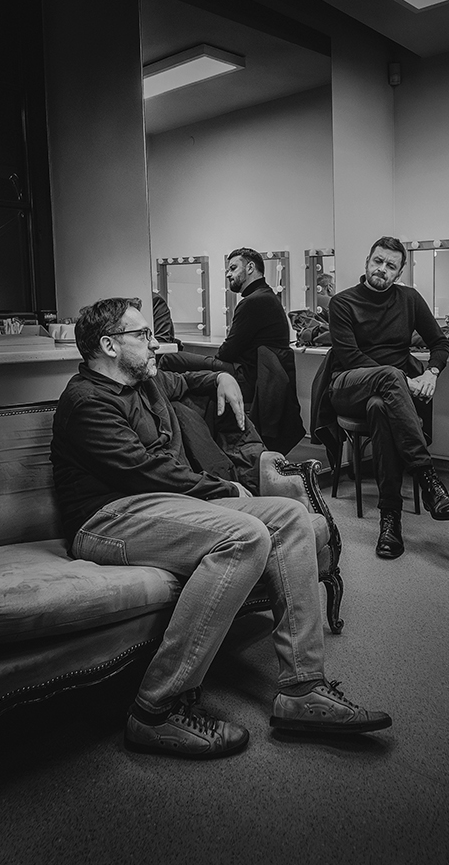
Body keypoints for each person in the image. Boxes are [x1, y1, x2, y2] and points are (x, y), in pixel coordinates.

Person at [51, 297, 391, 758]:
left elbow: (190, 378)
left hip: (164, 506)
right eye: (142, 335)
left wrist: (221, 377)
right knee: (245, 534)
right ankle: (155, 709)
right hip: (108, 518)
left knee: (290, 517)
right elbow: (144, 472)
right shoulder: (86, 401)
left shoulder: (145, 381)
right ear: (109, 346)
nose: (155, 344)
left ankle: (302, 690)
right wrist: (225, 489)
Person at [312, 236, 449, 560]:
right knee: (391, 377)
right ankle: (427, 479)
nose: (382, 269)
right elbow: (350, 357)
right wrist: (406, 381)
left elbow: (440, 343)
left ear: (399, 272)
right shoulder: (342, 302)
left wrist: (431, 373)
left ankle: (390, 520)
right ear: (367, 262)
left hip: (389, 392)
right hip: (348, 385)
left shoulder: (409, 299)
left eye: (391, 265)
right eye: (378, 261)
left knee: (381, 407)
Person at [216, 247, 303, 452]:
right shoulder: (267, 296)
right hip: (263, 379)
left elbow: (227, 352)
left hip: (253, 380)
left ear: (250, 267)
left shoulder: (253, 302)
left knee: (190, 371)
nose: (228, 274)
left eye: (233, 268)